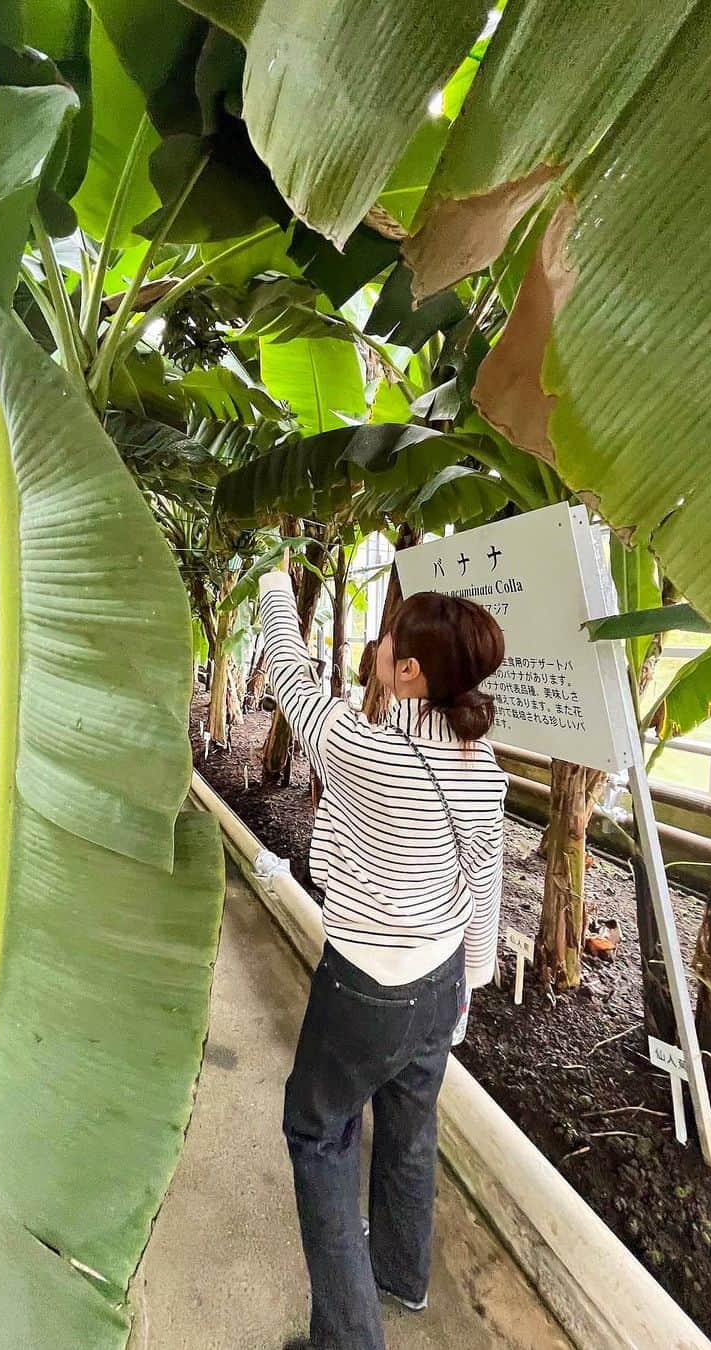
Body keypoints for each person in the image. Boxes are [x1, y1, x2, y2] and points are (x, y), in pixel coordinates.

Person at [257, 570, 507, 1350]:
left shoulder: (359, 748)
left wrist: (274, 584)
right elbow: (486, 878)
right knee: (408, 1127)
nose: (378, 642)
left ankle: (349, 1340)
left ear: (411, 674)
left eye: (391, 638)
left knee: (318, 1133)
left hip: (364, 986)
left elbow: (290, 672)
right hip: (437, 986)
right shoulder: (480, 766)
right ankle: (403, 1276)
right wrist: (468, 985)